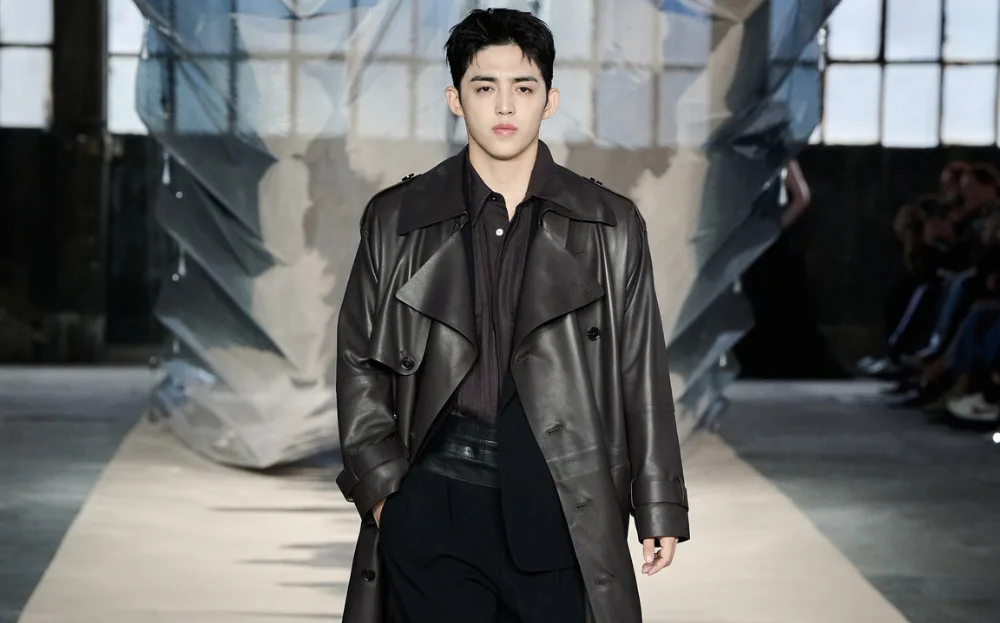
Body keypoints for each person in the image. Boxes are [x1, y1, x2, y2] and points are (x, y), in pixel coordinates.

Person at [335, 8, 689, 623]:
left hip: (560, 501)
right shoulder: (397, 219)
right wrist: (386, 489)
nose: (504, 106)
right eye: (484, 87)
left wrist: (658, 501)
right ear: (456, 100)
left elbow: (641, 370)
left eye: (523, 88)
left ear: (549, 101)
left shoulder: (609, 225)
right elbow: (359, 358)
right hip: (434, 502)